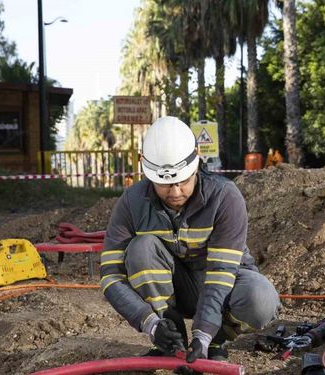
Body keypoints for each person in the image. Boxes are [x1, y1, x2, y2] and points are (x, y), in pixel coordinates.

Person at [100, 116, 281, 364]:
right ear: (146, 168)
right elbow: (111, 277)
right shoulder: (131, 203)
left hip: (223, 286)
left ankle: (216, 338)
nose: (175, 192)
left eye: (183, 180)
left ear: (196, 161)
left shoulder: (224, 197)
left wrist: (204, 334)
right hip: (175, 288)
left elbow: (221, 272)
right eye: (164, 184)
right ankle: (171, 339)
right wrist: (151, 324)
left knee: (261, 298)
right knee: (141, 249)